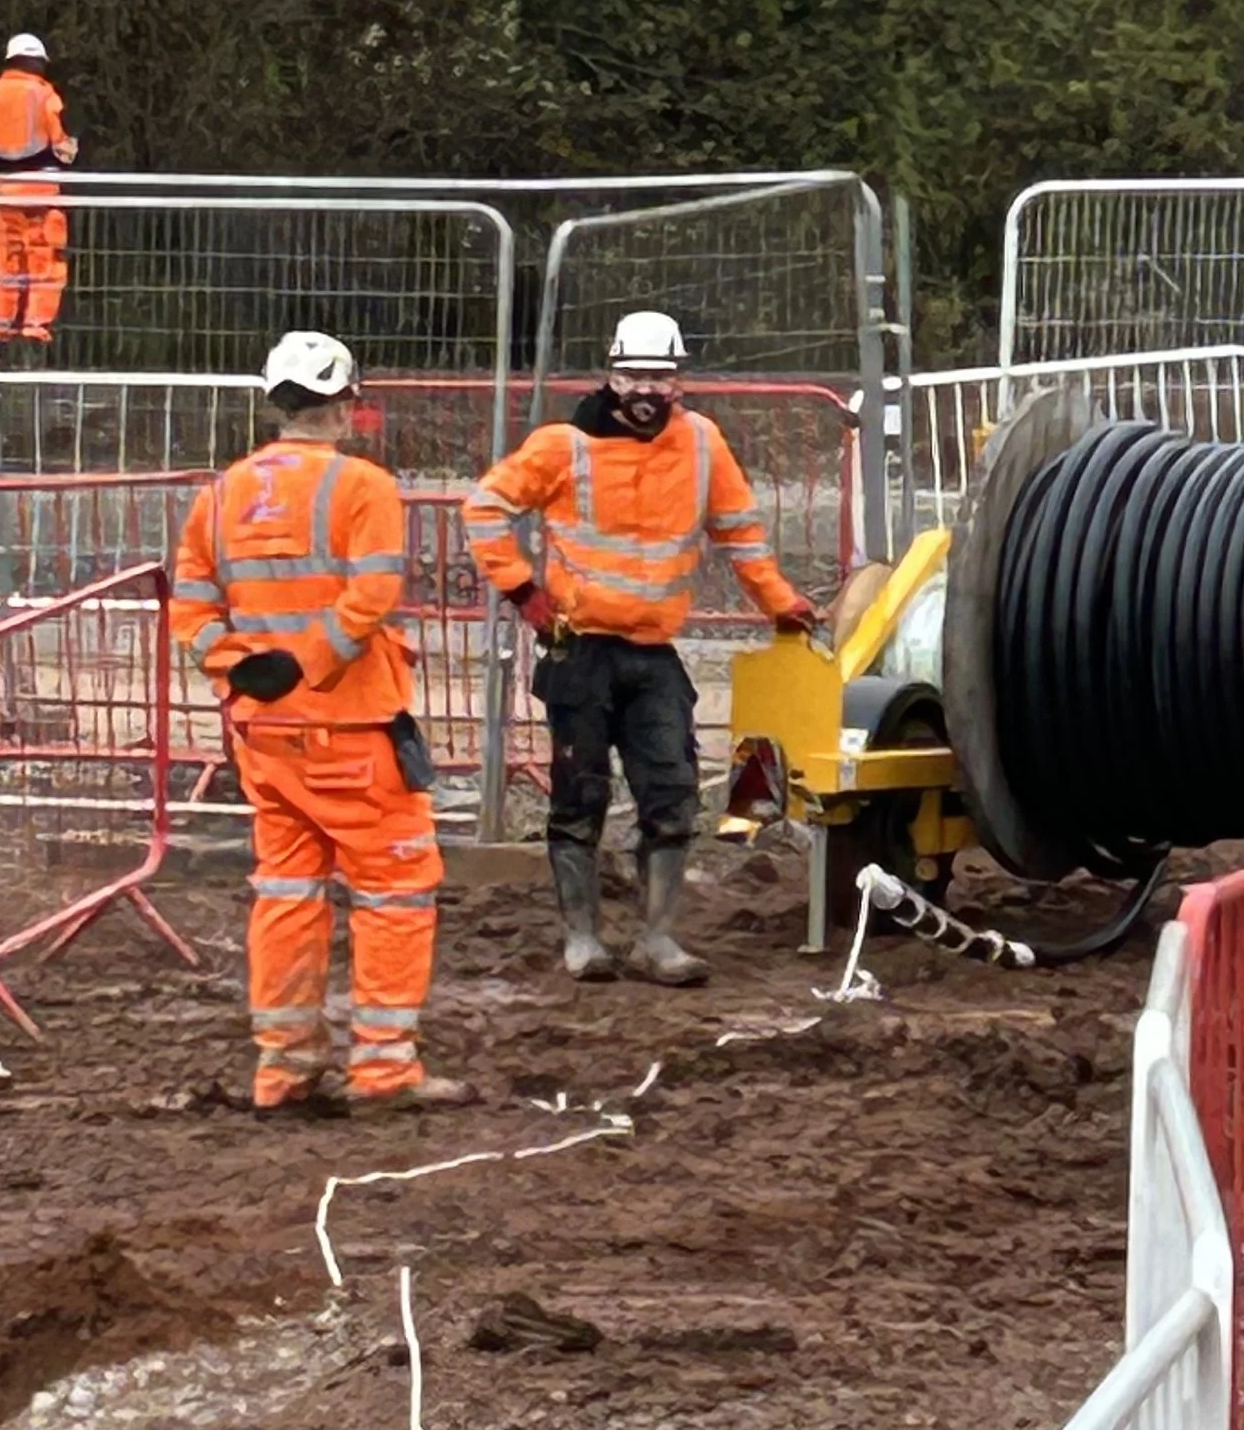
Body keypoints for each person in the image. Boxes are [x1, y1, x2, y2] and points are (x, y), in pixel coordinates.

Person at [463, 311, 821, 987]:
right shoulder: (562, 446)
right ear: (611, 373)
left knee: (673, 793)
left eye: (661, 376)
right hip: (579, 650)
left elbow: (741, 535)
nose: (647, 390)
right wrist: (525, 594)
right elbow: (483, 509)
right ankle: (583, 939)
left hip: (654, 653)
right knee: (579, 796)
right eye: (635, 375)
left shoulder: (704, 444)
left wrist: (782, 602)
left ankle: (657, 939)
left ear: (679, 379)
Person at [172, 331, 470, 1117]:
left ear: (277, 402)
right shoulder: (362, 487)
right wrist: (308, 662)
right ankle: (382, 1067)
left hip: (264, 736)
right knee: (396, 892)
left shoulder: (223, 492)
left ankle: (284, 1067)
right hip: (352, 727)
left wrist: (237, 667)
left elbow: (190, 605)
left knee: (286, 893)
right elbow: (370, 597)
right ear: (344, 405)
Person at [0, 33, 76, 348]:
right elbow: (61, 148)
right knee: (45, 257)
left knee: (9, 260)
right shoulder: (44, 95)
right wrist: (70, 147)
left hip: (3, 190)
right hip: (41, 189)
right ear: (37, 62)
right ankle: (36, 326)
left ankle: (2, 327)